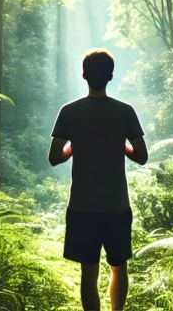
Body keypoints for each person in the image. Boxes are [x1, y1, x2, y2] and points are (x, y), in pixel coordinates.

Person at [48, 49, 148, 311]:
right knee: (119, 267)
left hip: (82, 208)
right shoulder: (125, 111)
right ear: (111, 76)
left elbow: (55, 157)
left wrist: (73, 146)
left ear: (83, 76)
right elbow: (142, 156)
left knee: (88, 273)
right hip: (116, 206)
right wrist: (120, 145)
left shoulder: (69, 111)